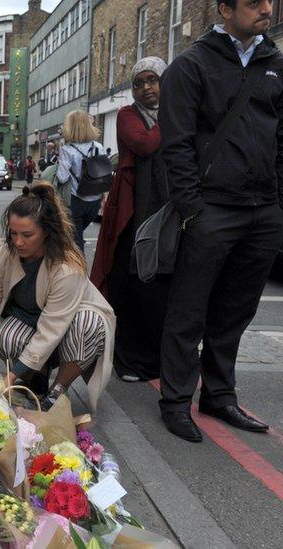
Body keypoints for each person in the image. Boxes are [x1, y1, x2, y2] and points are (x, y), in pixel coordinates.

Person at [158, 0, 283, 443]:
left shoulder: (274, 64)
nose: (266, 9)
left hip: (263, 210)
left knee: (236, 309)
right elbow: (176, 145)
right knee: (189, 310)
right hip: (212, 209)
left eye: (269, 1)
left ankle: (219, 394)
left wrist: (277, 202)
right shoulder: (191, 66)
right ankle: (175, 401)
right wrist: (193, 208)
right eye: (254, 3)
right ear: (225, 10)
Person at [0, 183, 115, 411]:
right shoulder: (5, 256)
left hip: (74, 332)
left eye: (27, 235)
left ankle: (57, 392)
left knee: (88, 322)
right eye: (13, 233)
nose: (18, 242)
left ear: (46, 231)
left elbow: (51, 330)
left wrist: (11, 377)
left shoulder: (67, 266)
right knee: (7, 336)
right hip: (34, 324)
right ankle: (36, 381)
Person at [90, 57, 170, 383]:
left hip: (168, 209)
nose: (146, 87)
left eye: (153, 80)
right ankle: (127, 359)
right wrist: (176, 116)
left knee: (159, 289)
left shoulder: (172, 111)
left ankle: (155, 358)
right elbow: (145, 143)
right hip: (131, 212)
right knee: (127, 283)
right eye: (139, 83)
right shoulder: (127, 115)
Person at [58, 111, 106, 253]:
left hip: (76, 200)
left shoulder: (67, 150)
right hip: (94, 201)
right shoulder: (98, 147)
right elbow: (103, 173)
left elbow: (62, 177)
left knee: (76, 243)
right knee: (76, 238)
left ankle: (79, 272)